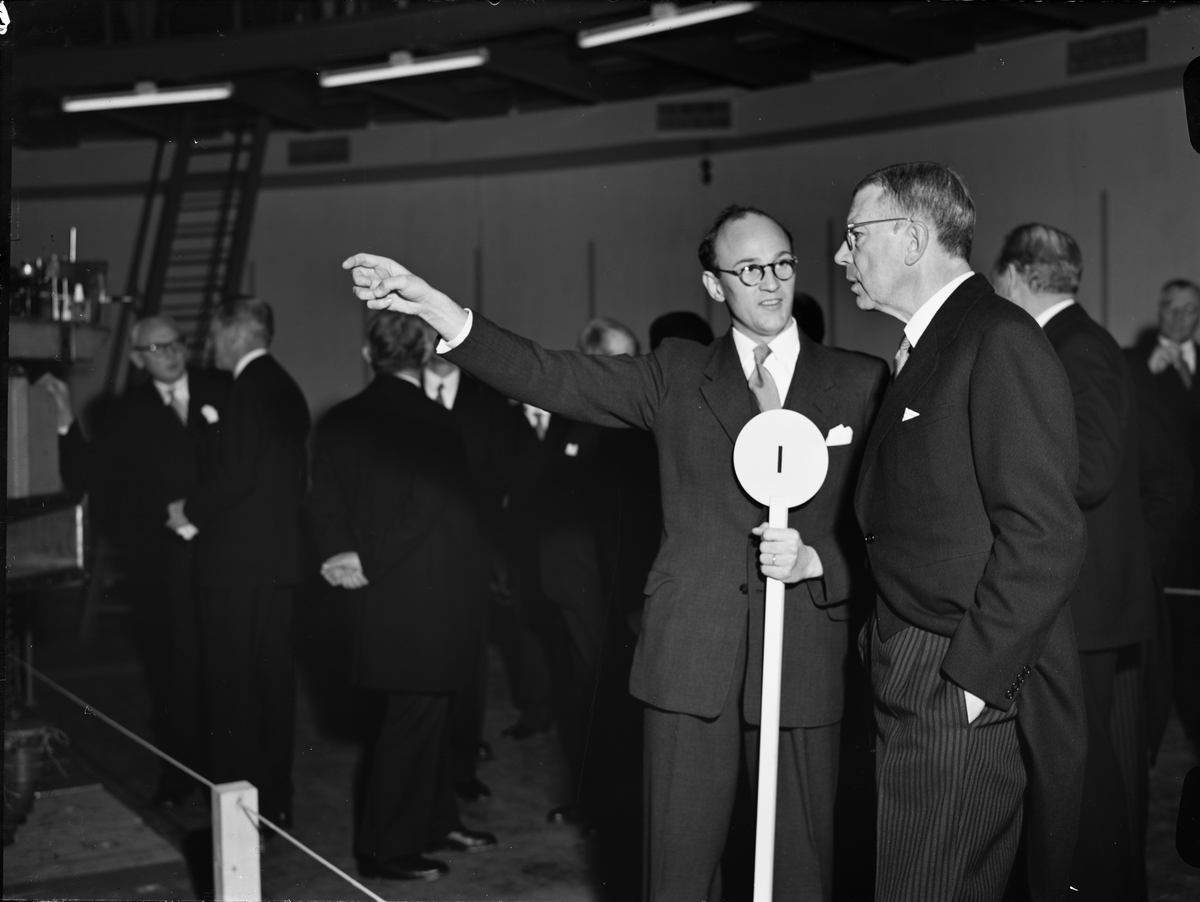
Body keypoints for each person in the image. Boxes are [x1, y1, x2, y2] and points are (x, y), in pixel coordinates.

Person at [344, 202, 890, 901]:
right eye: (749, 269)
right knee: (677, 871)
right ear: (714, 284)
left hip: (805, 661)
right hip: (688, 661)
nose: (770, 283)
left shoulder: (860, 381)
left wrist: (821, 563)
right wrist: (437, 308)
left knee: (798, 872)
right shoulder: (674, 374)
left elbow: (894, 526)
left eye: (782, 264)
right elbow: (548, 374)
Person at [834, 163, 1087, 902]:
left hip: (952, 670)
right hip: (913, 659)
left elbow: (1044, 533)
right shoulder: (932, 343)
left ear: (913, 239)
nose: (843, 255)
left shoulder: (997, 338)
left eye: (855, 235)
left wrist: (972, 685)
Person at [992, 223, 1156, 901]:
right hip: (1087, 598)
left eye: (999, 277)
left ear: (1019, 274)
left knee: (1082, 773)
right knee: (1082, 770)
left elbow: (1090, 469)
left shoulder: (1075, 346)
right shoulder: (1075, 340)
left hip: (1085, 602)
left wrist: (1004, 474)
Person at [307, 312, 497, 882]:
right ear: (424, 355)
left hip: (372, 594)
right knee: (414, 723)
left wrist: (344, 555)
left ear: (368, 353)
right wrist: (369, 559)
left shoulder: (339, 419)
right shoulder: (436, 420)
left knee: (423, 718)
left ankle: (436, 824)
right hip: (426, 600)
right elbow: (423, 509)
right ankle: (384, 848)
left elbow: (323, 499)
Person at [42, 315, 227, 807]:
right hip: (165, 566)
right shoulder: (128, 413)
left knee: (226, 668)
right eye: (158, 347)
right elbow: (86, 473)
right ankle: (181, 777)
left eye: (176, 343)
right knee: (175, 673)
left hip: (226, 556)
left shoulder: (223, 392)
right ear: (137, 358)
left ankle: (230, 777)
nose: (172, 353)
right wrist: (65, 420)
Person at [168, 298, 310, 830]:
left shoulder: (247, 390)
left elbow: (235, 477)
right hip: (276, 564)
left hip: (234, 567)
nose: (209, 347)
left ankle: (238, 815)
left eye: (212, 336)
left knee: (230, 690)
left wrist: (188, 513)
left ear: (233, 335)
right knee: (272, 686)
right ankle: (274, 800)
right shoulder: (286, 386)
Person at [423, 352, 513, 803]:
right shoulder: (403, 392)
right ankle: (428, 757)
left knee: (469, 658)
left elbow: (502, 477)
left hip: (474, 551)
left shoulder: (488, 400)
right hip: (416, 556)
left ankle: (461, 762)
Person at [1128, 279, 1200, 750]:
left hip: (1198, 528)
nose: (1178, 317)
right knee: (1158, 629)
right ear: (1159, 311)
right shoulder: (1133, 364)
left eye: (1189, 309)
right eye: (1171, 307)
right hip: (1158, 519)